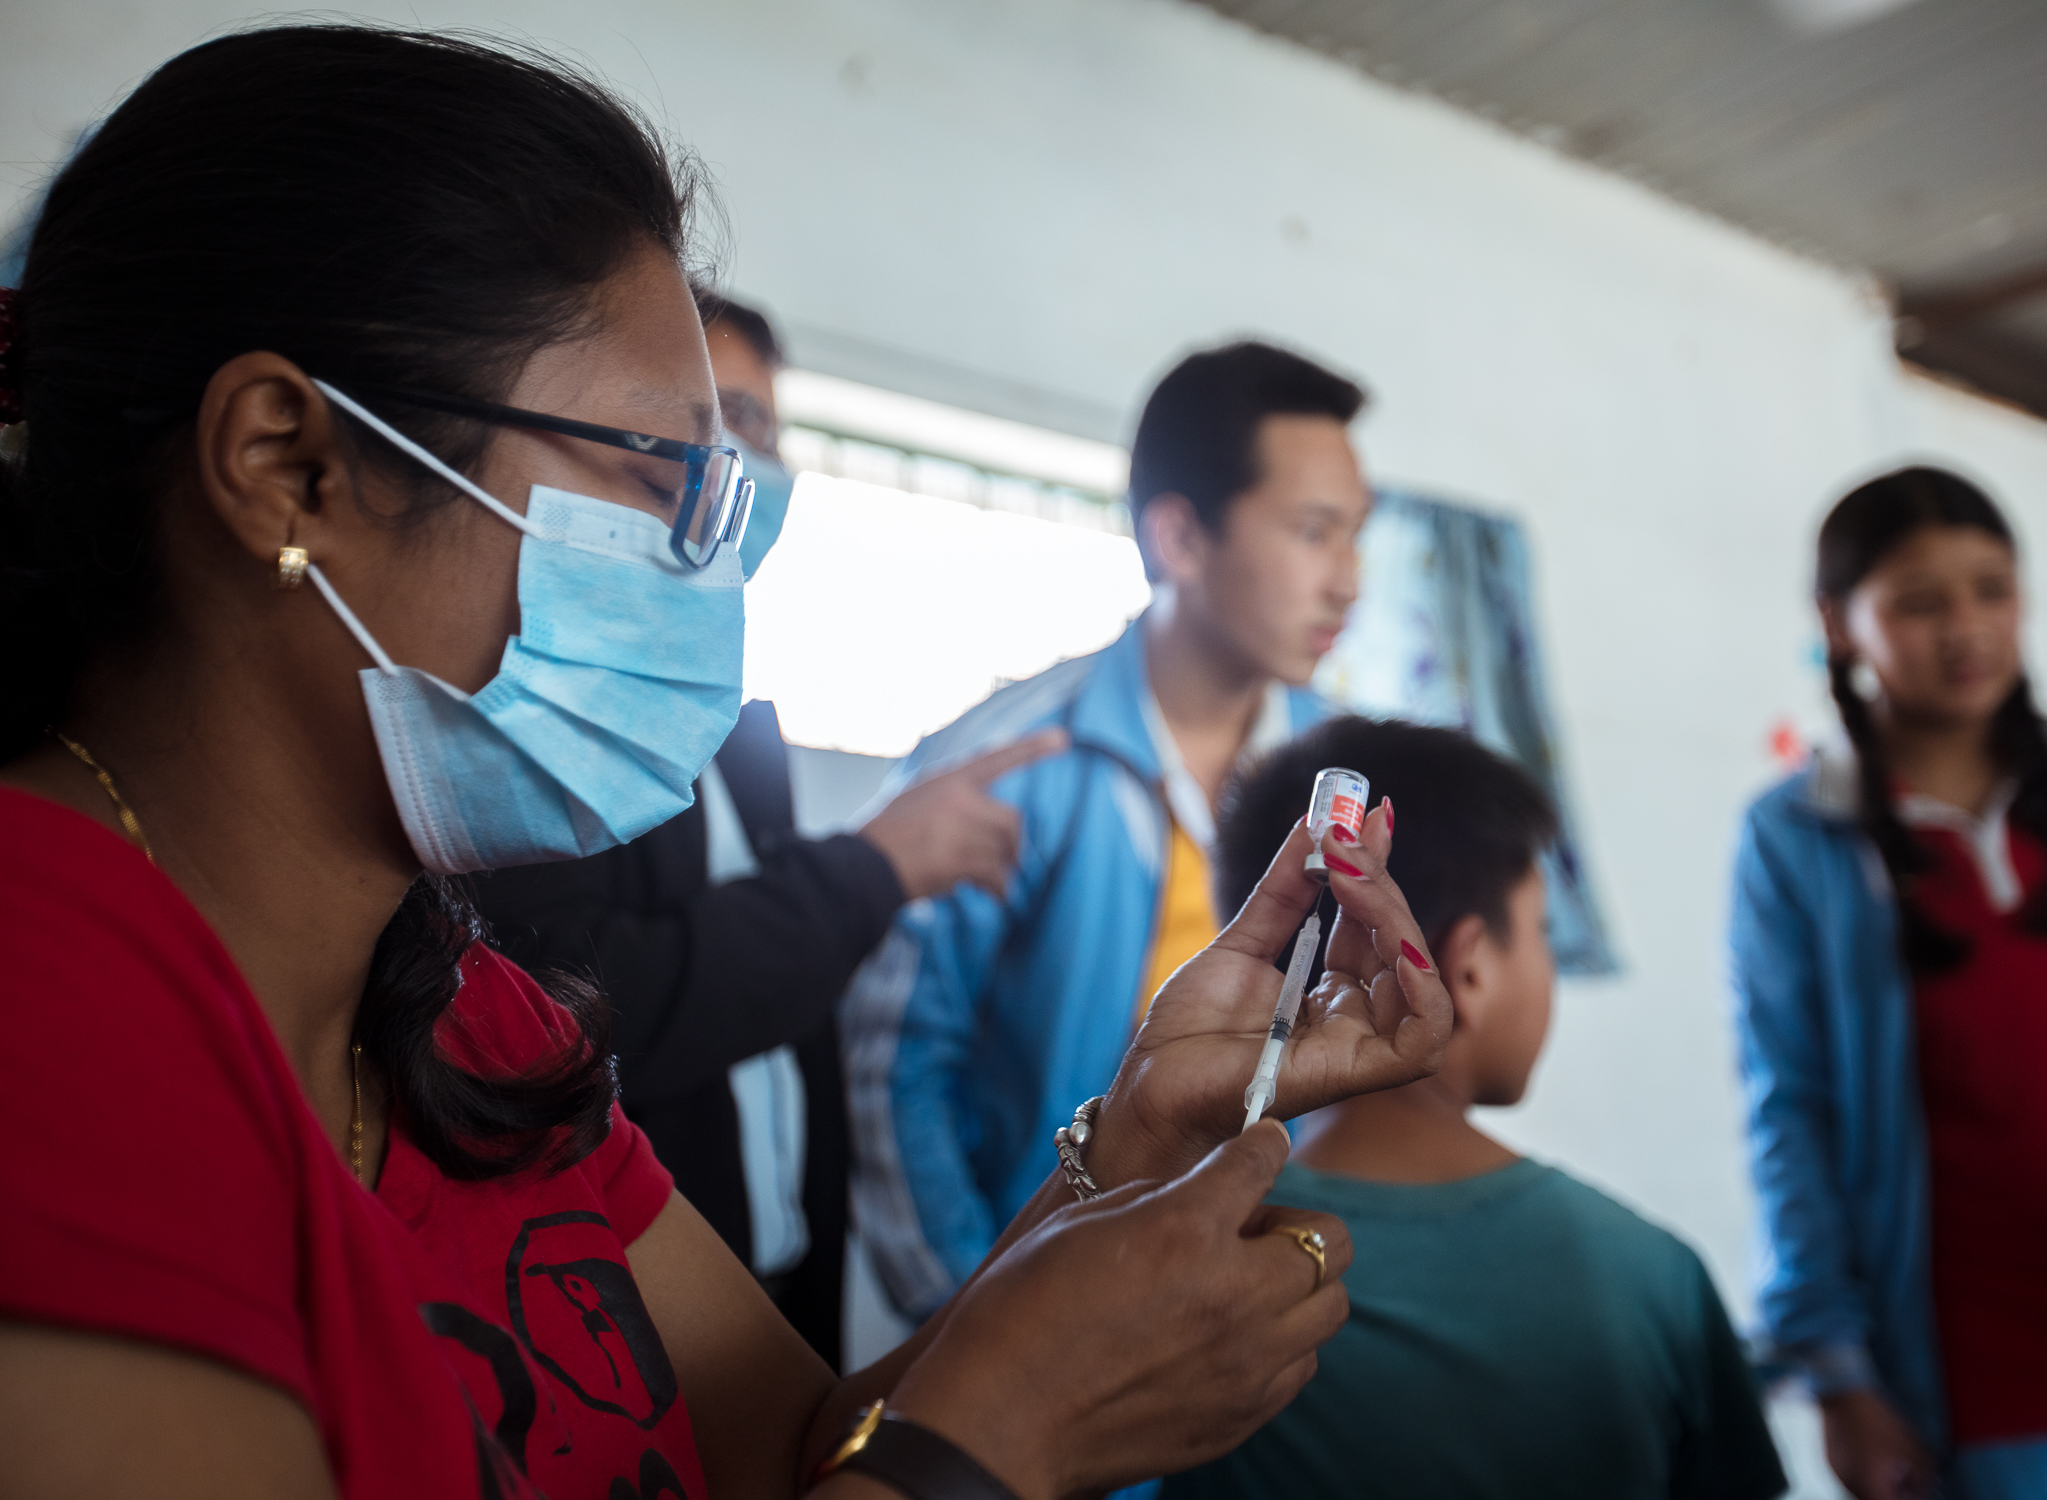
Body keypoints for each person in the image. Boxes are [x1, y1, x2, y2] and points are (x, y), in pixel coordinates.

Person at [0, 26, 1461, 1499]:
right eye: (656, 481)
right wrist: (1005, 1455)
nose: (709, 572)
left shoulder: (465, 1025)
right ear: (289, 467)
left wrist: (1136, 1139)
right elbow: (929, 1446)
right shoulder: (40, 987)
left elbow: (787, 1449)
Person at [468, 294, 1063, 1368]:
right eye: (718, 420)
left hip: (779, 1294)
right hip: (621, 1317)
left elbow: (770, 992)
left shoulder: (737, 722)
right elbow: (594, 1003)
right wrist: (872, 869)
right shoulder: (541, 702)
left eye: (766, 434)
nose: (752, 464)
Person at [1729, 466, 2047, 1500]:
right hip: (1982, 1373)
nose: (1966, 627)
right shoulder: (1797, 836)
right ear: (1839, 622)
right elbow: (1789, 1108)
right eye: (1920, 602)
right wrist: (1837, 1373)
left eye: (1991, 590)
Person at [848, 340, 1371, 1318]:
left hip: (1261, 1313)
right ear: (1180, 538)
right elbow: (895, 1066)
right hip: (1041, 1313)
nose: (1350, 581)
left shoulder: (1341, 784)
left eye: (1357, 534)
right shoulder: (1011, 768)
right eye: (1314, 531)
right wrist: (974, 1325)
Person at [1163, 716, 1788, 1500]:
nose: (1549, 963)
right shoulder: (1650, 1280)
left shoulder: (1182, 1269)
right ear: (1470, 971)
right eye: (1541, 932)